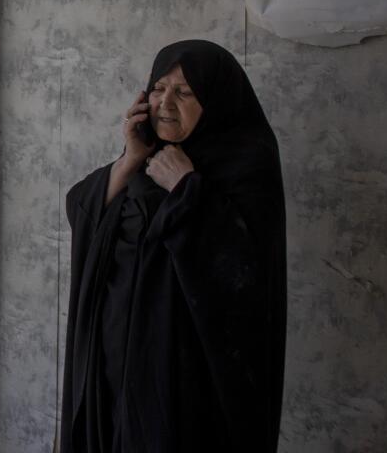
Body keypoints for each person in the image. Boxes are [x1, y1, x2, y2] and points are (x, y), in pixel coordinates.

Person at [61, 40, 286, 453]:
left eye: (184, 92)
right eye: (159, 88)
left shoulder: (247, 164)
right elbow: (83, 210)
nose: (165, 102)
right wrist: (129, 159)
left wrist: (187, 191)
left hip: (185, 381)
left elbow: (247, 277)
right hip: (114, 365)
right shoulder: (150, 157)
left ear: (215, 100)